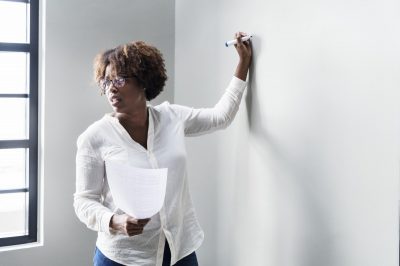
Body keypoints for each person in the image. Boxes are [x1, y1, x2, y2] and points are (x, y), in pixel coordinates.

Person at [74, 32, 252, 266]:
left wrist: (243, 63)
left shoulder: (171, 117)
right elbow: (84, 201)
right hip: (124, 257)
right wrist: (115, 221)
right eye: (106, 82)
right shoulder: (94, 137)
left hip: (179, 251)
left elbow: (221, 117)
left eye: (118, 80)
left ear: (143, 80)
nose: (111, 89)